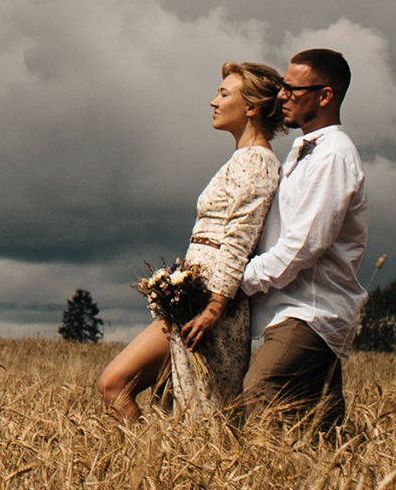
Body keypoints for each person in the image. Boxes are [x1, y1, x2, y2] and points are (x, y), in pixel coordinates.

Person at [96, 62, 286, 421]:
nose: (213, 101)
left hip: (212, 307)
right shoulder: (240, 160)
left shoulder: (258, 163)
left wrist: (214, 308)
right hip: (190, 301)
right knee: (123, 388)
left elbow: (238, 242)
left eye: (224, 93)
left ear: (252, 107)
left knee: (201, 415)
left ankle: (174, 470)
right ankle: (150, 468)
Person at [233, 46, 368, 432]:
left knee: (260, 406)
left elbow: (302, 247)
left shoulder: (334, 157)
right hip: (291, 312)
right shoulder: (303, 150)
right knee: (321, 436)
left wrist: (237, 283)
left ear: (325, 96)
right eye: (283, 87)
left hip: (309, 314)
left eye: (293, 90)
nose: (281, 96)